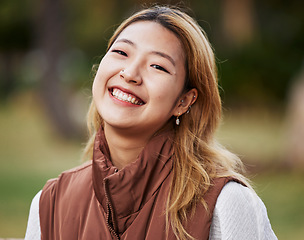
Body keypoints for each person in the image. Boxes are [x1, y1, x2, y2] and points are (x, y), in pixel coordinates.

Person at [25, 5, 277, 240]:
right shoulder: (50, 203)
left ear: (184, 101)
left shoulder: (225, 202)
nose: (130, 74)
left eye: (157, 66)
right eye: (121, 52)